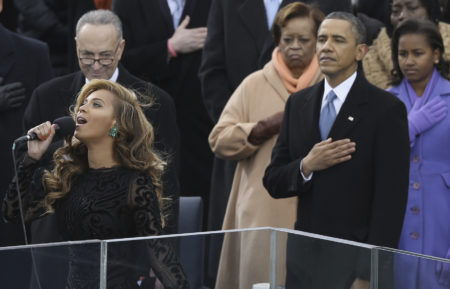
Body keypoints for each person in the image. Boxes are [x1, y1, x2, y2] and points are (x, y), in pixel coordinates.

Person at [263, 12, 410, 289]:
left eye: (338, 40)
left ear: (360, 51)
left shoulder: (386, 110)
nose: (326, 47)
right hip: (303, 262)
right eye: (321, 39)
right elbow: (273, 180)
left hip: (355, 265)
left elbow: (390, 202)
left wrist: (369, 273)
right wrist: (306, 165)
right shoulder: (298, 103)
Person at [3, 79, 189, 289]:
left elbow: (161, 256)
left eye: (96, 104)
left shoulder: (135, 184)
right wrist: (31, 159)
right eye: (83, 103)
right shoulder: (70, 177)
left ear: (115, 124)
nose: (82, 107)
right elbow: (13, 214)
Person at [23, 9, 180, 239]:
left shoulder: (154, 103)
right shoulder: (46, 97)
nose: (96, 65)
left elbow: (167, 181)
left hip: (126, 240)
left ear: (121, 49)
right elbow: (28, 178)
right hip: (59, 239)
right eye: (87, 55)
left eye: (105, 56)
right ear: (76, 46)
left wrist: (162, 248)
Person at [208, 3, 324, 289]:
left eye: (304, 40)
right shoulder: (254, 84)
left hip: (317, 210)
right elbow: (218, 139)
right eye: (287, 40)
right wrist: (259, 129)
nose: (295, 47)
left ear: (318, 41)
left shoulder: (331, 84)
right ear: (277, 40)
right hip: (261, 212)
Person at [112, 0, 214, 203]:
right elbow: (119, 60)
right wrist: (169, 48)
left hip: (201, 127)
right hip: (143, 123)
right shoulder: (126, 4)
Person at [387, 18, 450, 289]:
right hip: (397, 219)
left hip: (442, 217)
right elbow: (375, 161)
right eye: (403, 54)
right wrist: (407, 129)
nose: (409, 61)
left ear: (436, 54)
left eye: (417, 53)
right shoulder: (386, 101)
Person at [363, 0, 450, 89]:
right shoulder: (371, 58)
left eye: (412, 8)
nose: (402, 15)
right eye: (396, 11)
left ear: (429, 10)